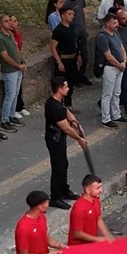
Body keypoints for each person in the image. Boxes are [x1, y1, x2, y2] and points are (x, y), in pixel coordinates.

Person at [45, 77, 88, 208]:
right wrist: (79, 139)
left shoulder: (59, 101)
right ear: (59, 89)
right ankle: (55, 197)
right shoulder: (53, 106)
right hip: (54, 139)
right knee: (58, 167)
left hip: (60, 138)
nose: (68, 89)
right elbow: (66, 128)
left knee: (64, 164)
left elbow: (67, 112)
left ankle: (64, 190)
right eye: (66, 87)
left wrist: (76, 123)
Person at [15, 190, 65, 254]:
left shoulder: (41, 216)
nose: (48, 205)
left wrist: (60, 245)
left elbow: (46, 238)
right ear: (40, 205)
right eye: (47, 203)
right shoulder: (23, 228)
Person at [96, 13, 126, 128]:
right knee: (107, 93)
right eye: (114, 22)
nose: (116, 24)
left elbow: (121, 47)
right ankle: (106, 118)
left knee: (116, 92)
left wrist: (124, 61)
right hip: (110, 68)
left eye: (117, 22)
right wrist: (119, 64)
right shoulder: (102, 36)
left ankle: (116, 114)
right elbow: (108, 55)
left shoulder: (116, 33)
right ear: (107, 23)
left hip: (119, 67)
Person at [69, 175, 115, 245]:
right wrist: (98, 239)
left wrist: (107, 235)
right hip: (79, 247)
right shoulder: (79, 208)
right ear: (88, 190)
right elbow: (78, 234)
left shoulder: (96, 200)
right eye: (98, 188)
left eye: (101, 187)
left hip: (92, 243)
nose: (101, 190)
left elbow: (98, 219)